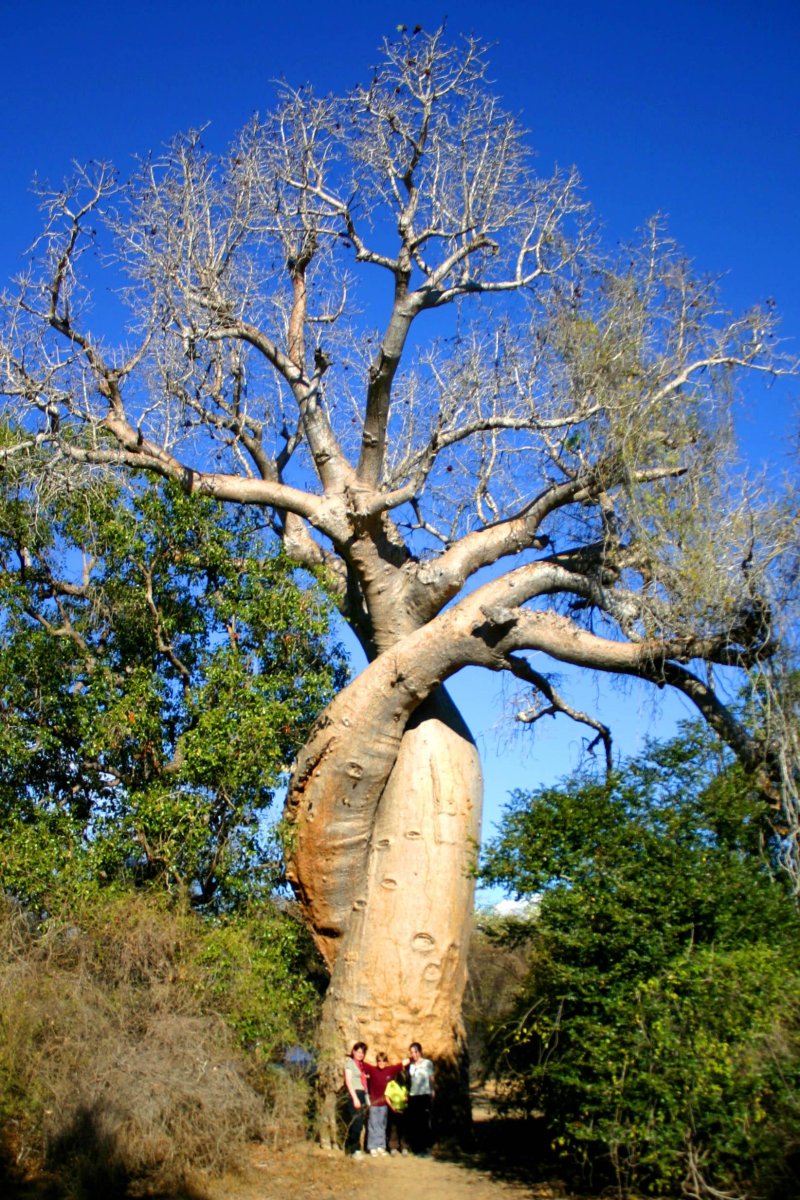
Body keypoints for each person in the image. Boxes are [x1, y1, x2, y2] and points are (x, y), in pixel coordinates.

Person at [363, 1051, 405, 1156]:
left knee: (382, 1125)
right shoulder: (372, 1070)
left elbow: (402, 1064)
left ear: (386, 1062)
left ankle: (380, 1146)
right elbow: (361, 1063)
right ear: (377, 1061)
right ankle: (372, 1147)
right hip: (374, 1104)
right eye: (379, 1061)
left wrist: (413, 1057)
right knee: (373, 1125)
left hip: (384, 1104)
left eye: (383, 1061)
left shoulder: (389, 1070)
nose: (381, 1063)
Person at [406, 1041, 435, 1154]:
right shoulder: (411, 1065)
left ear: (419, 1052)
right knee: (415, 1122)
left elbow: (431, 1078)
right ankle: (417, 1147)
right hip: (414, 1095)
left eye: (415, 1052)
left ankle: (426, 1147)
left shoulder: (427, 1063)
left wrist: (432, 1091)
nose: (413, 1054)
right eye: (411, 1052)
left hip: (424, 1094)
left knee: (424, 1121)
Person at [343, 1041, 369, 1157]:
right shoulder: (349, 1063)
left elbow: (363, 1081)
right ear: (353, 1051)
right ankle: (354, 1150)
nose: (360, 1054)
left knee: (360, 1123)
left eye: (362, 1052)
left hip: (362, 1094)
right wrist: (355, 1098)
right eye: (358, 1052)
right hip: (355, 1094)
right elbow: (348, 1082)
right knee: (356, 1123)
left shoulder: (361, 1065)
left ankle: (352, 1149)